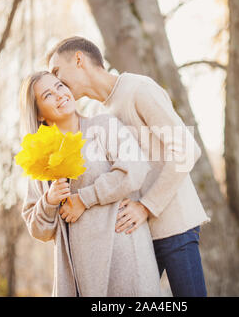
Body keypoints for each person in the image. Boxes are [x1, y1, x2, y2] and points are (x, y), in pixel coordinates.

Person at [46, 36, 210, 297]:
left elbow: (186, 149)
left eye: (57, 72)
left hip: (174, 226)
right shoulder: (100, 114)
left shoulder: (138, 89)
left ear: (78, 59)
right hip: (139, 235)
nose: (57, 82)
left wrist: (146, 206)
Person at [18, 71, 161, 296]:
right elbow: (39, 230)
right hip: (77, 272)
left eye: (60, 86)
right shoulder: (38, 157)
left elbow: (134, 169)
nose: (59, 95)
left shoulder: (104, 126)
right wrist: (49, 200)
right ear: (38, 115)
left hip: (123, 254)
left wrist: (85, 198)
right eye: (48, 95)